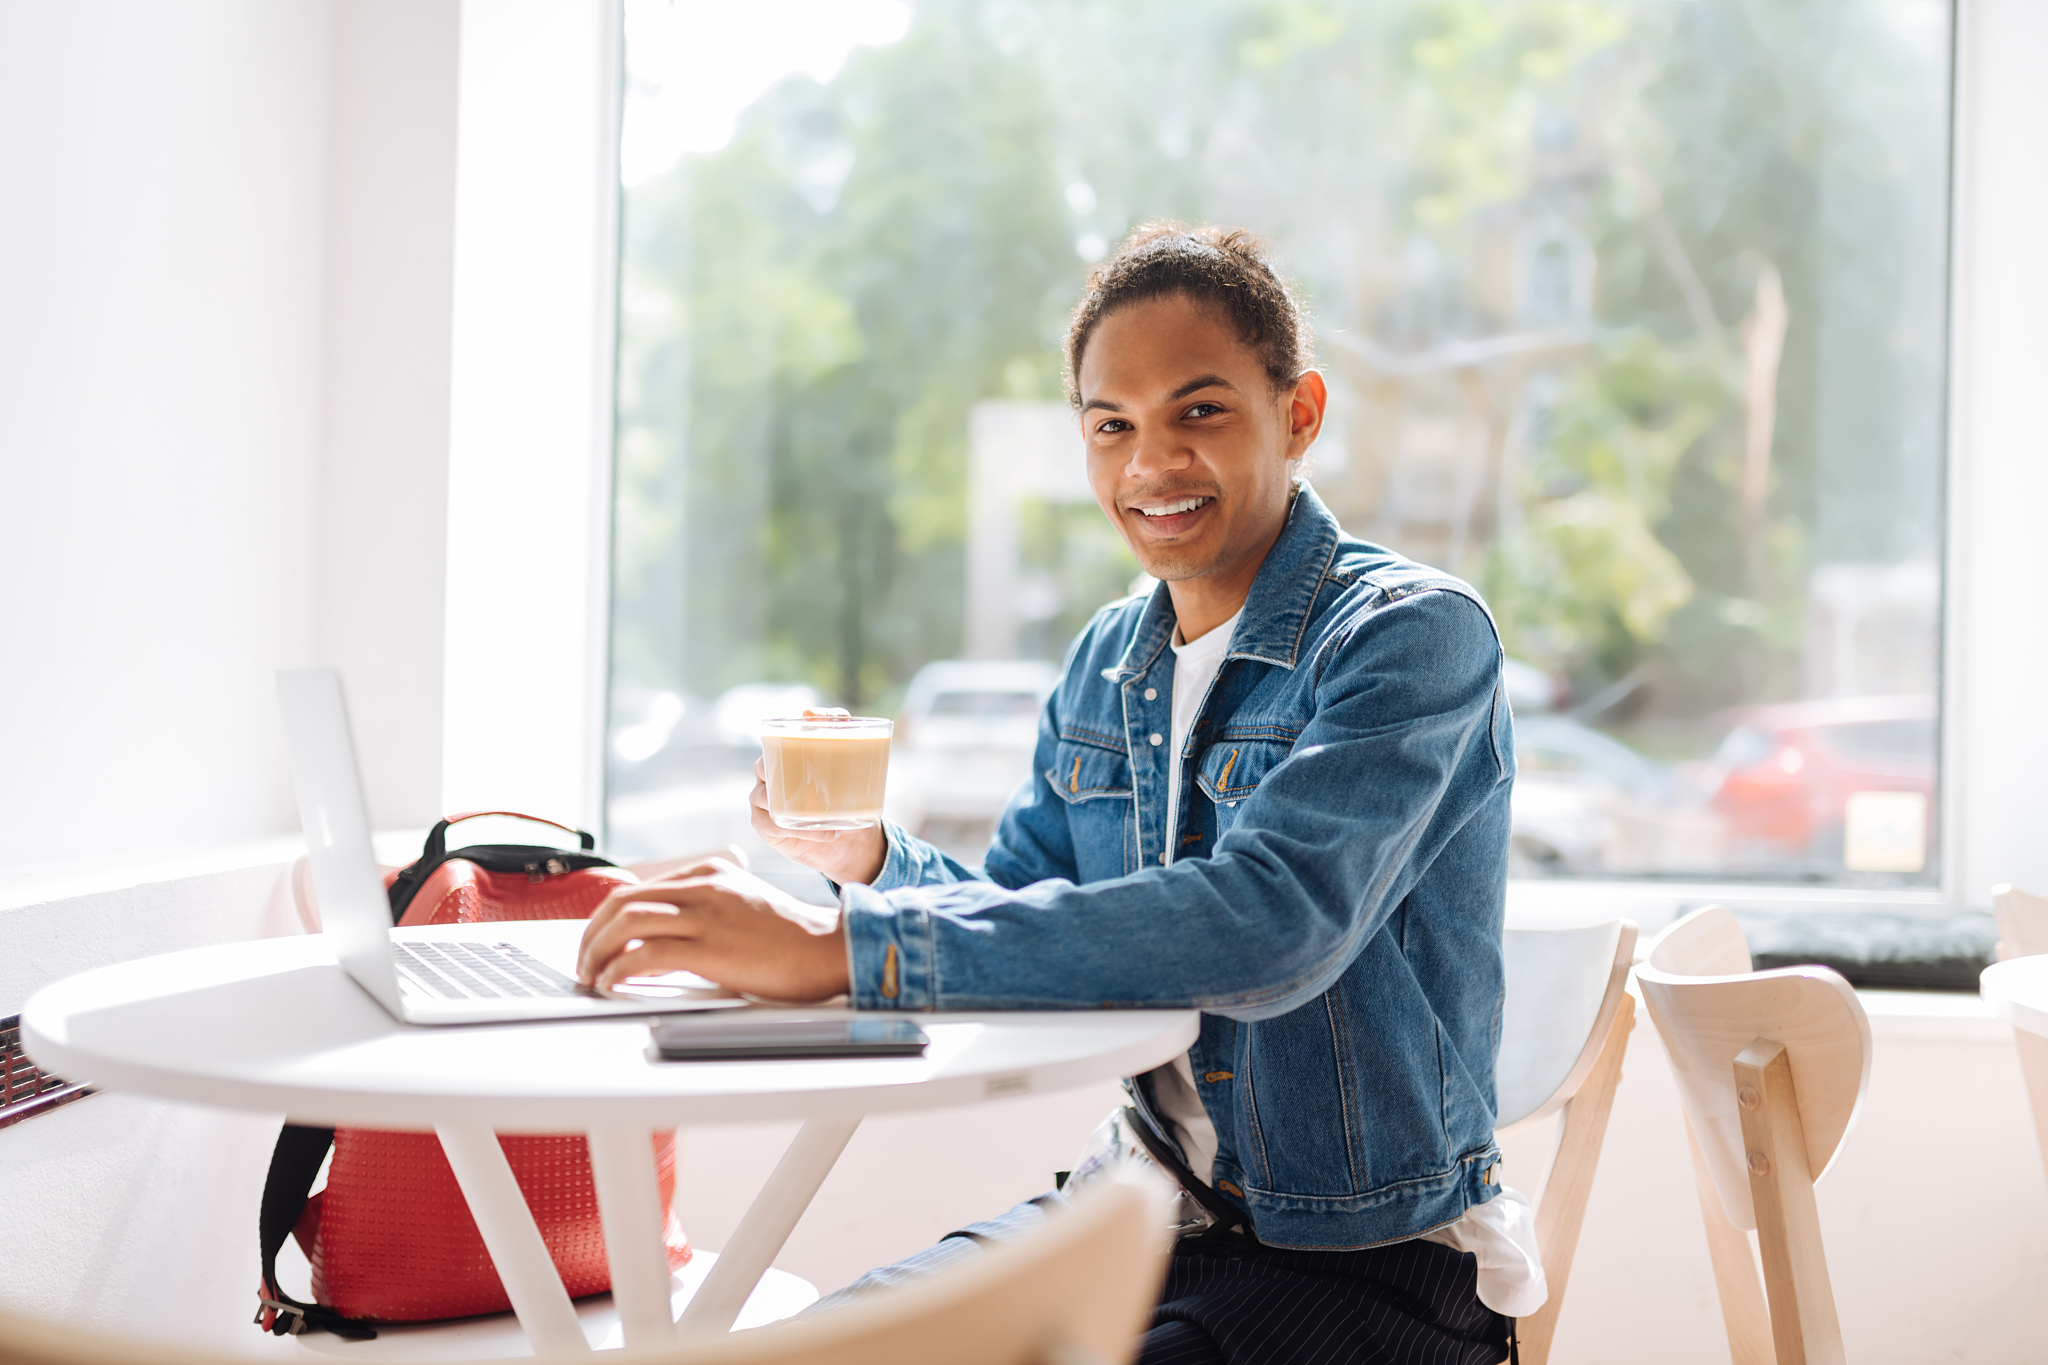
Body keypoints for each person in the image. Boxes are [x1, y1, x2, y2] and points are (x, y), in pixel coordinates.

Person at [578, 223, 1536, 1365]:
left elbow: (1274, 922)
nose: (1149, 464)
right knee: (806, 1351)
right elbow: (1022, 911)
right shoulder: (1108, 662)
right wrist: (871, 863)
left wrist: (841, 949)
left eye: (1199, 411)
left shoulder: (1409, 636)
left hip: (1369, 1264)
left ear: (1298, 414)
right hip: (1137, 1211)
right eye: (1110, 426)